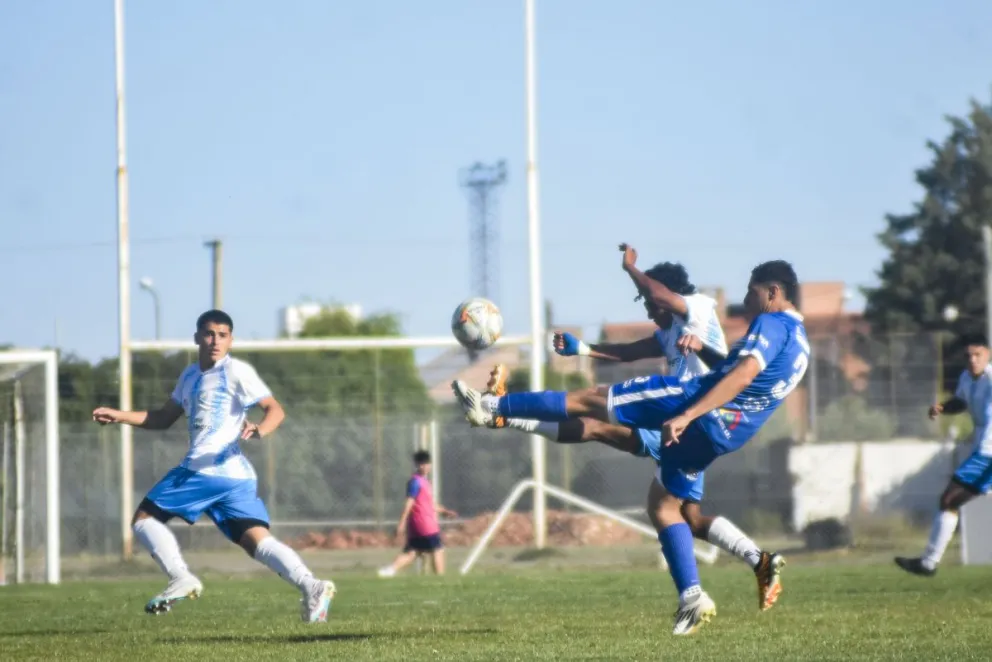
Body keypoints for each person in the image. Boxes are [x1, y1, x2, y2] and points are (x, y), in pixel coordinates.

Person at [453, 259, 809, 635]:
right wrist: (585, 349)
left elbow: (742, 375)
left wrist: (631, 268)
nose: (747, 299)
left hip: (690, 409)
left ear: (773, 291)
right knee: (669, 508)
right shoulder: (799, 343)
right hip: (724, 432)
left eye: (753, 291)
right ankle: (702, 591)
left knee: (592, 410)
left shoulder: (732, 314)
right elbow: (653, 355)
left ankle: (493, 408)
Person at [92, 310, 335, 621]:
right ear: (197, 338)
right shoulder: (189, 376)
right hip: (236, 477)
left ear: (231, 340)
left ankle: (180, 576)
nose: (215, 340)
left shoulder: (235, 372)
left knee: (144, 519)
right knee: (256, 542)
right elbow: (164, 417)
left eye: (222, 335)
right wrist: (120, 415)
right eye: (209, 334)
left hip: (205, 469)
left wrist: (260, 429)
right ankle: (312, 585)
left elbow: (275, 409)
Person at [895, 334, 992, 577]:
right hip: (982, 450)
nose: (972, 360)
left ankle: (928, 563)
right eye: (968, 355)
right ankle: (928, 562)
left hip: (987, 453)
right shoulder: (967, 379)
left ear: (987, 355)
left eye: (977, 354)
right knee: (950, 501)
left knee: (949, 499)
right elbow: (961, 402)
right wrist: (943, 408)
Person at [378, 450, 457, 577]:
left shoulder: (425, 482)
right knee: (438, 550)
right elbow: (409, 503)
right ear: (416, 465)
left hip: (417, 527)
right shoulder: (415, 482)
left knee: (412, 552)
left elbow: (430, 504)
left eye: (426, 464)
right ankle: (440, 579)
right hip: (425, 525)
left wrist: (445, 511)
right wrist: (401, 523)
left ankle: (389, 571)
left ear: (430, 465)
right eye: (421, 464)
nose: (424, 467)